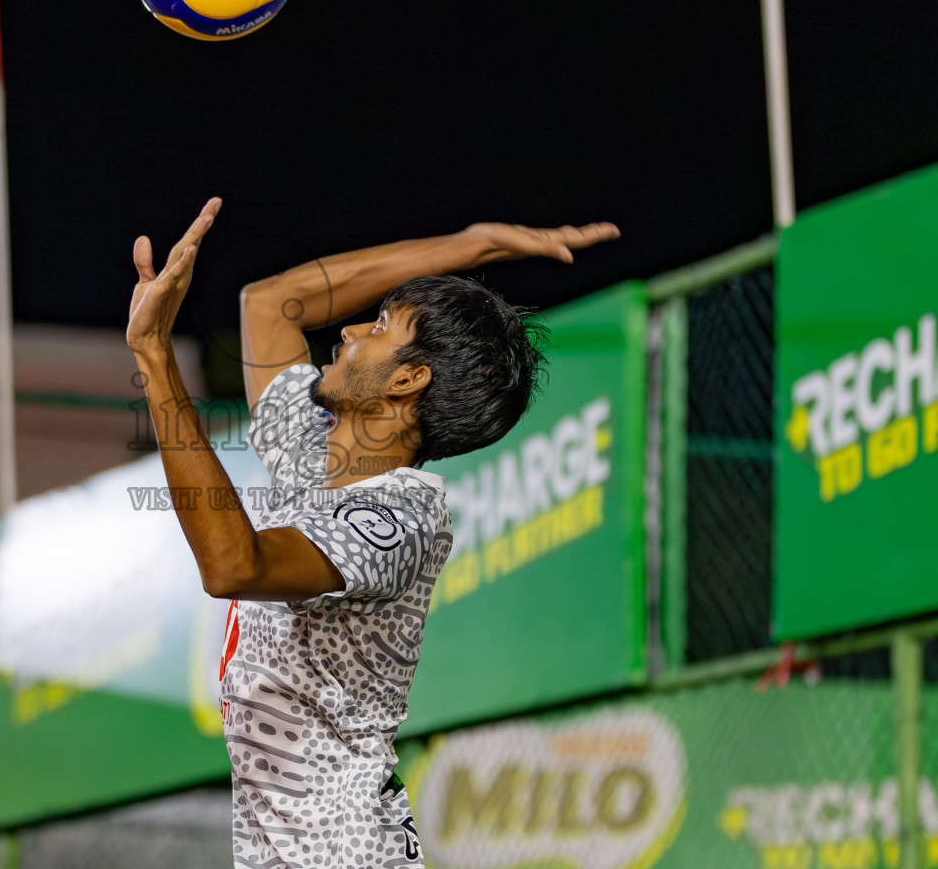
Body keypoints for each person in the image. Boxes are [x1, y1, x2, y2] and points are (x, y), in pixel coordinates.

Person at [125, 198, 618, 868]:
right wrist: (470, 244)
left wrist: (155, 356)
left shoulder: (400, 519)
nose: (350, 329)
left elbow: (232, 566)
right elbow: (274, 305)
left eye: (382, 325)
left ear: (409, 379)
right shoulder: (311, 448)